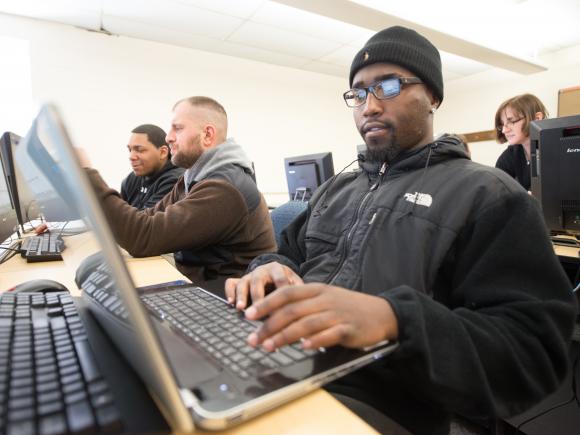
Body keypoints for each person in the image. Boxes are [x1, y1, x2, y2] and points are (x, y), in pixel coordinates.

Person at [225, 26, 577, 434]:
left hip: (391, 403)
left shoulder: (490, 195)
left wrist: (396, 319)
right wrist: (267, 267)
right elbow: (287, 252)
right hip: (288, 366)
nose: (369, 106)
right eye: (357, 93)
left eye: (388, 86)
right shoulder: (337, 187)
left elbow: (534, 353)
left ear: (433, 96)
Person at [82, 96, 276, 293]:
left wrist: (86, 175)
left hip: (224, 305)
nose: (168, 137)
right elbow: (147, 219)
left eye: (178, 128)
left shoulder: (224, 188)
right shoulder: (193, 177)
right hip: (195, 287)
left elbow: (142, 237)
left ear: (207, 135)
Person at [120, 124, 184, 210]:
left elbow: (145, 220)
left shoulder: (176, 180)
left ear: (163, 152)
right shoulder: (131, 179)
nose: (131, 156)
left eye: (139, 150)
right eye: (130, 150)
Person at [494, 93, 548, 191]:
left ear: (537, 118)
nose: (504, 130)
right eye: (502, 124)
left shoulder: (558, 150)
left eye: (511, 121)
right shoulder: (509, 156)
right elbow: (497, 189)